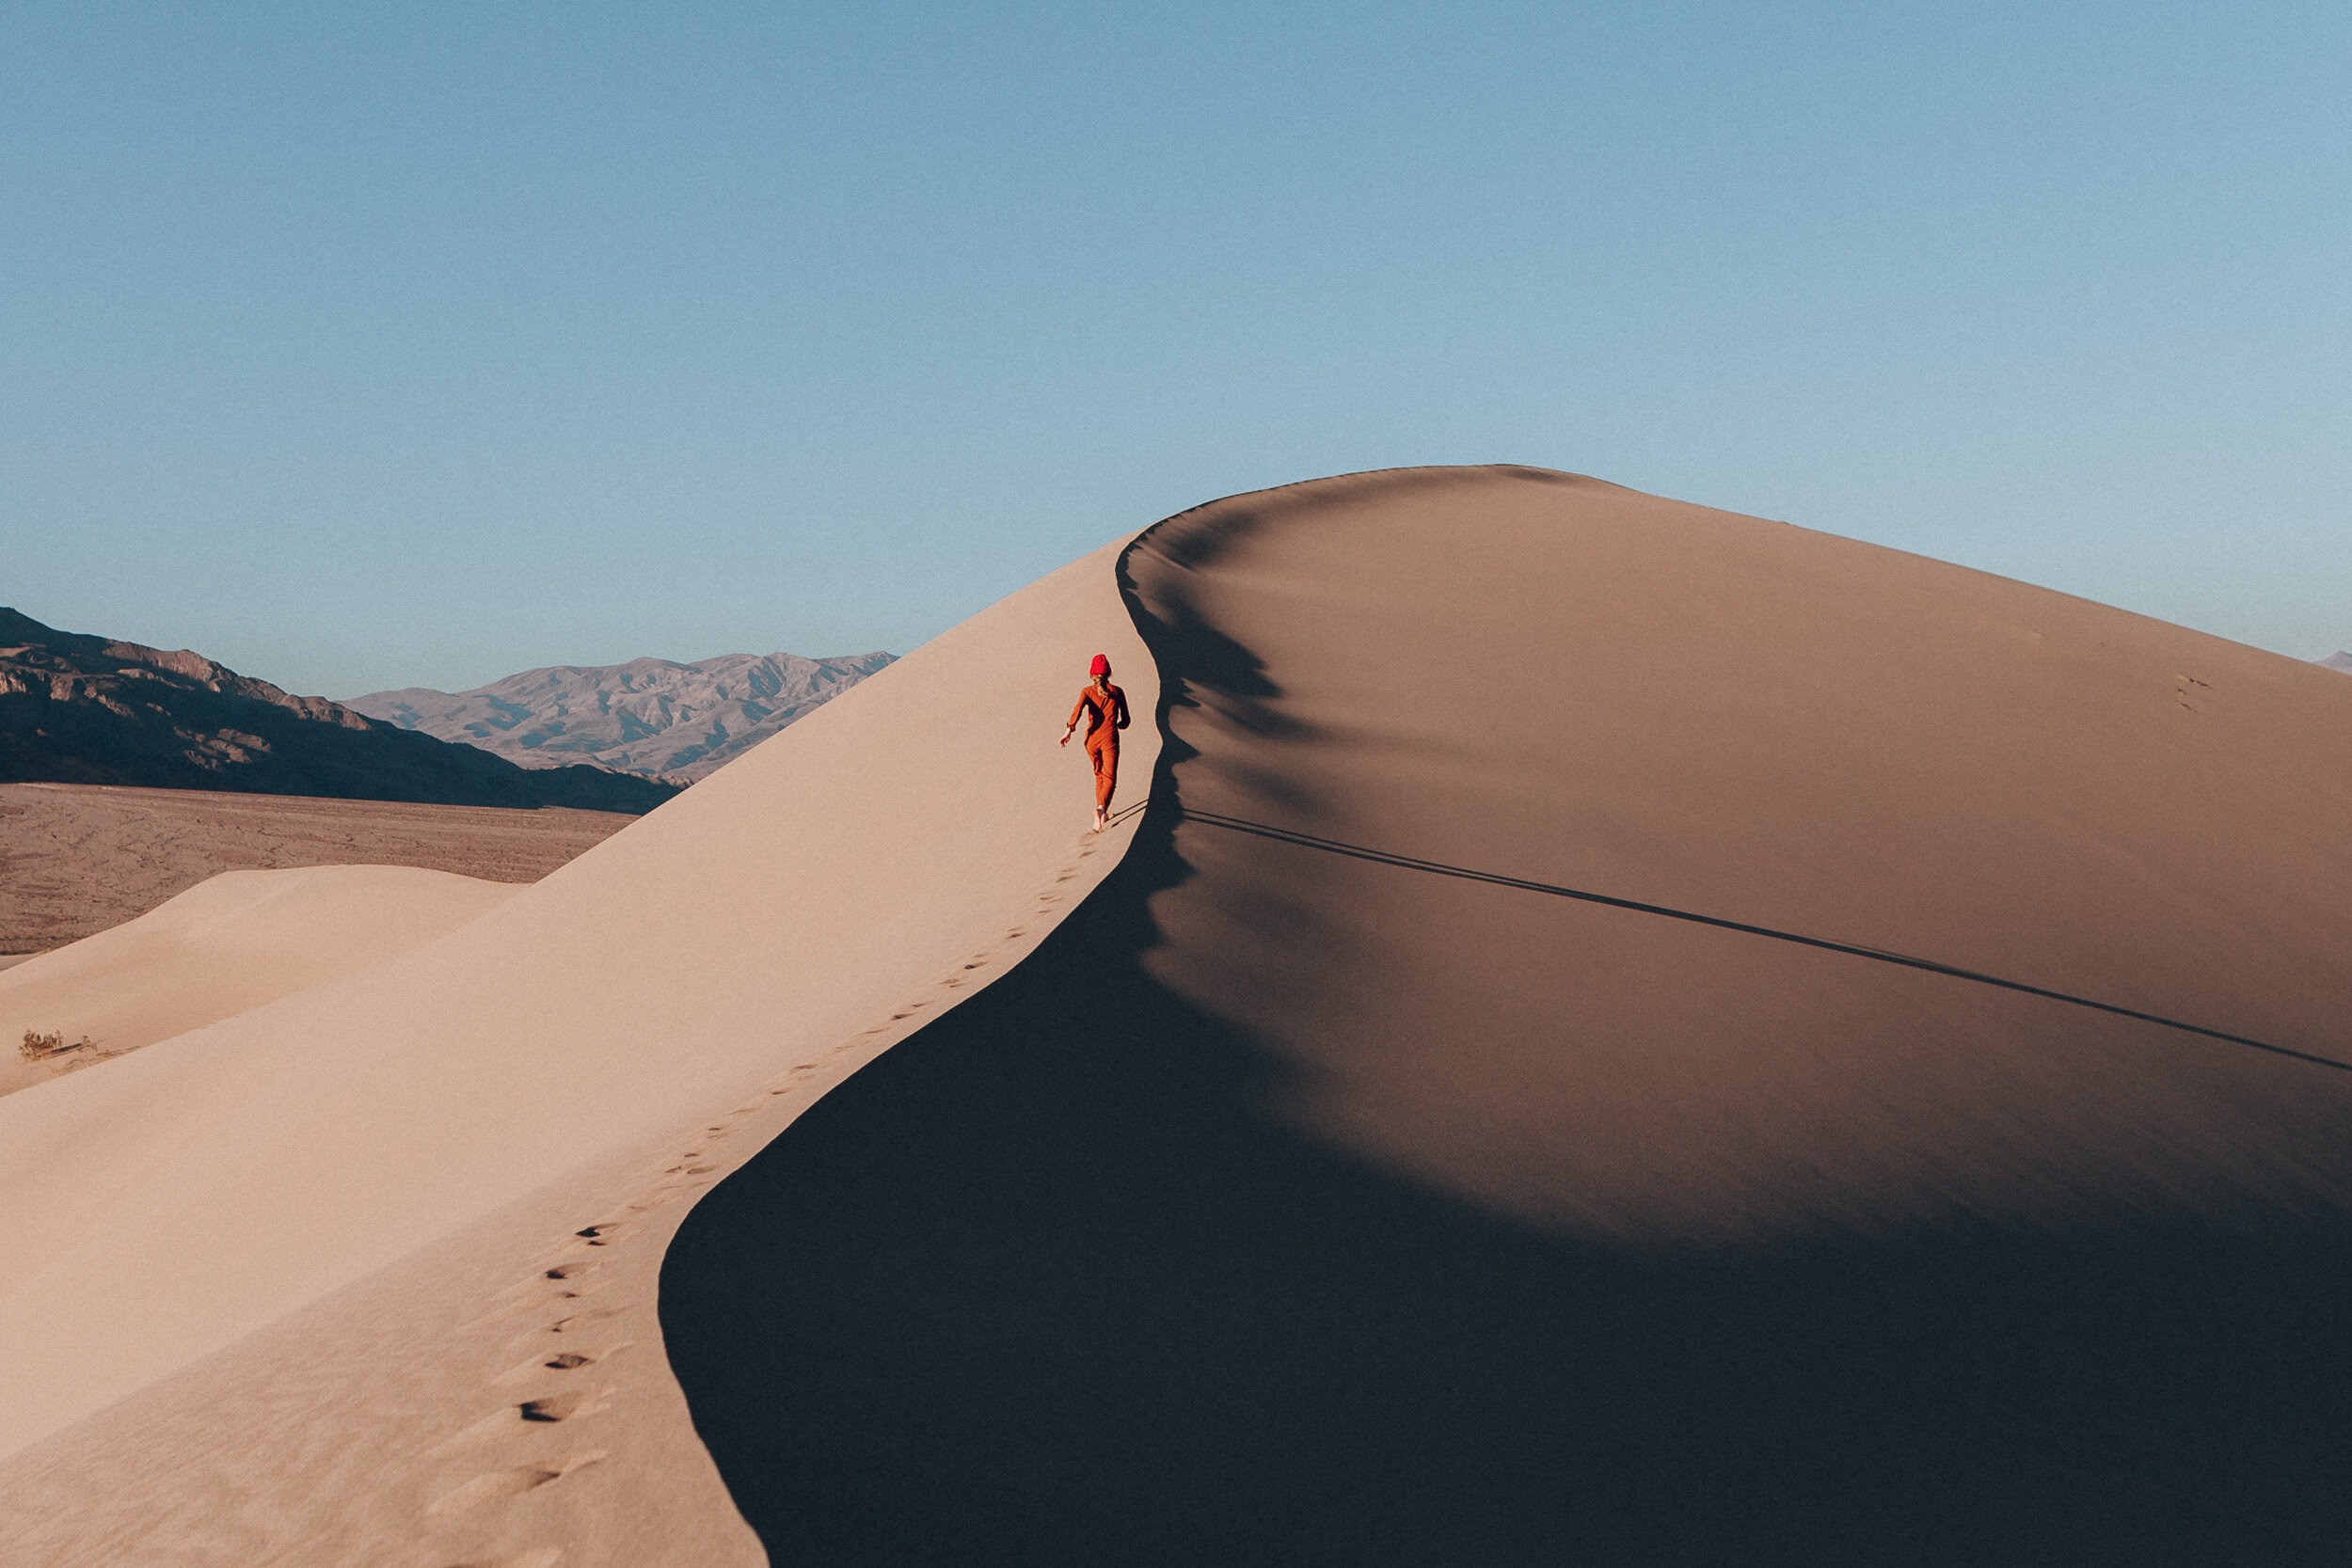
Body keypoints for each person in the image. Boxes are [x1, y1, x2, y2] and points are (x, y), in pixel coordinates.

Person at [1059, 653, 1130, 831]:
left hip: (1090, 739)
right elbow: (1126, 720)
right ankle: (1101, 809)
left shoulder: (1087, 692)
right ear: (1109, 673)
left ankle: (1102, 816)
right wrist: (1118, 724)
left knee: (1099, 775)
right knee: (1110, 778)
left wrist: (1069, 730)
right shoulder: (1117, 691)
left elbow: (1078, 710)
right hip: (1109, 738)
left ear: (1092, 674)